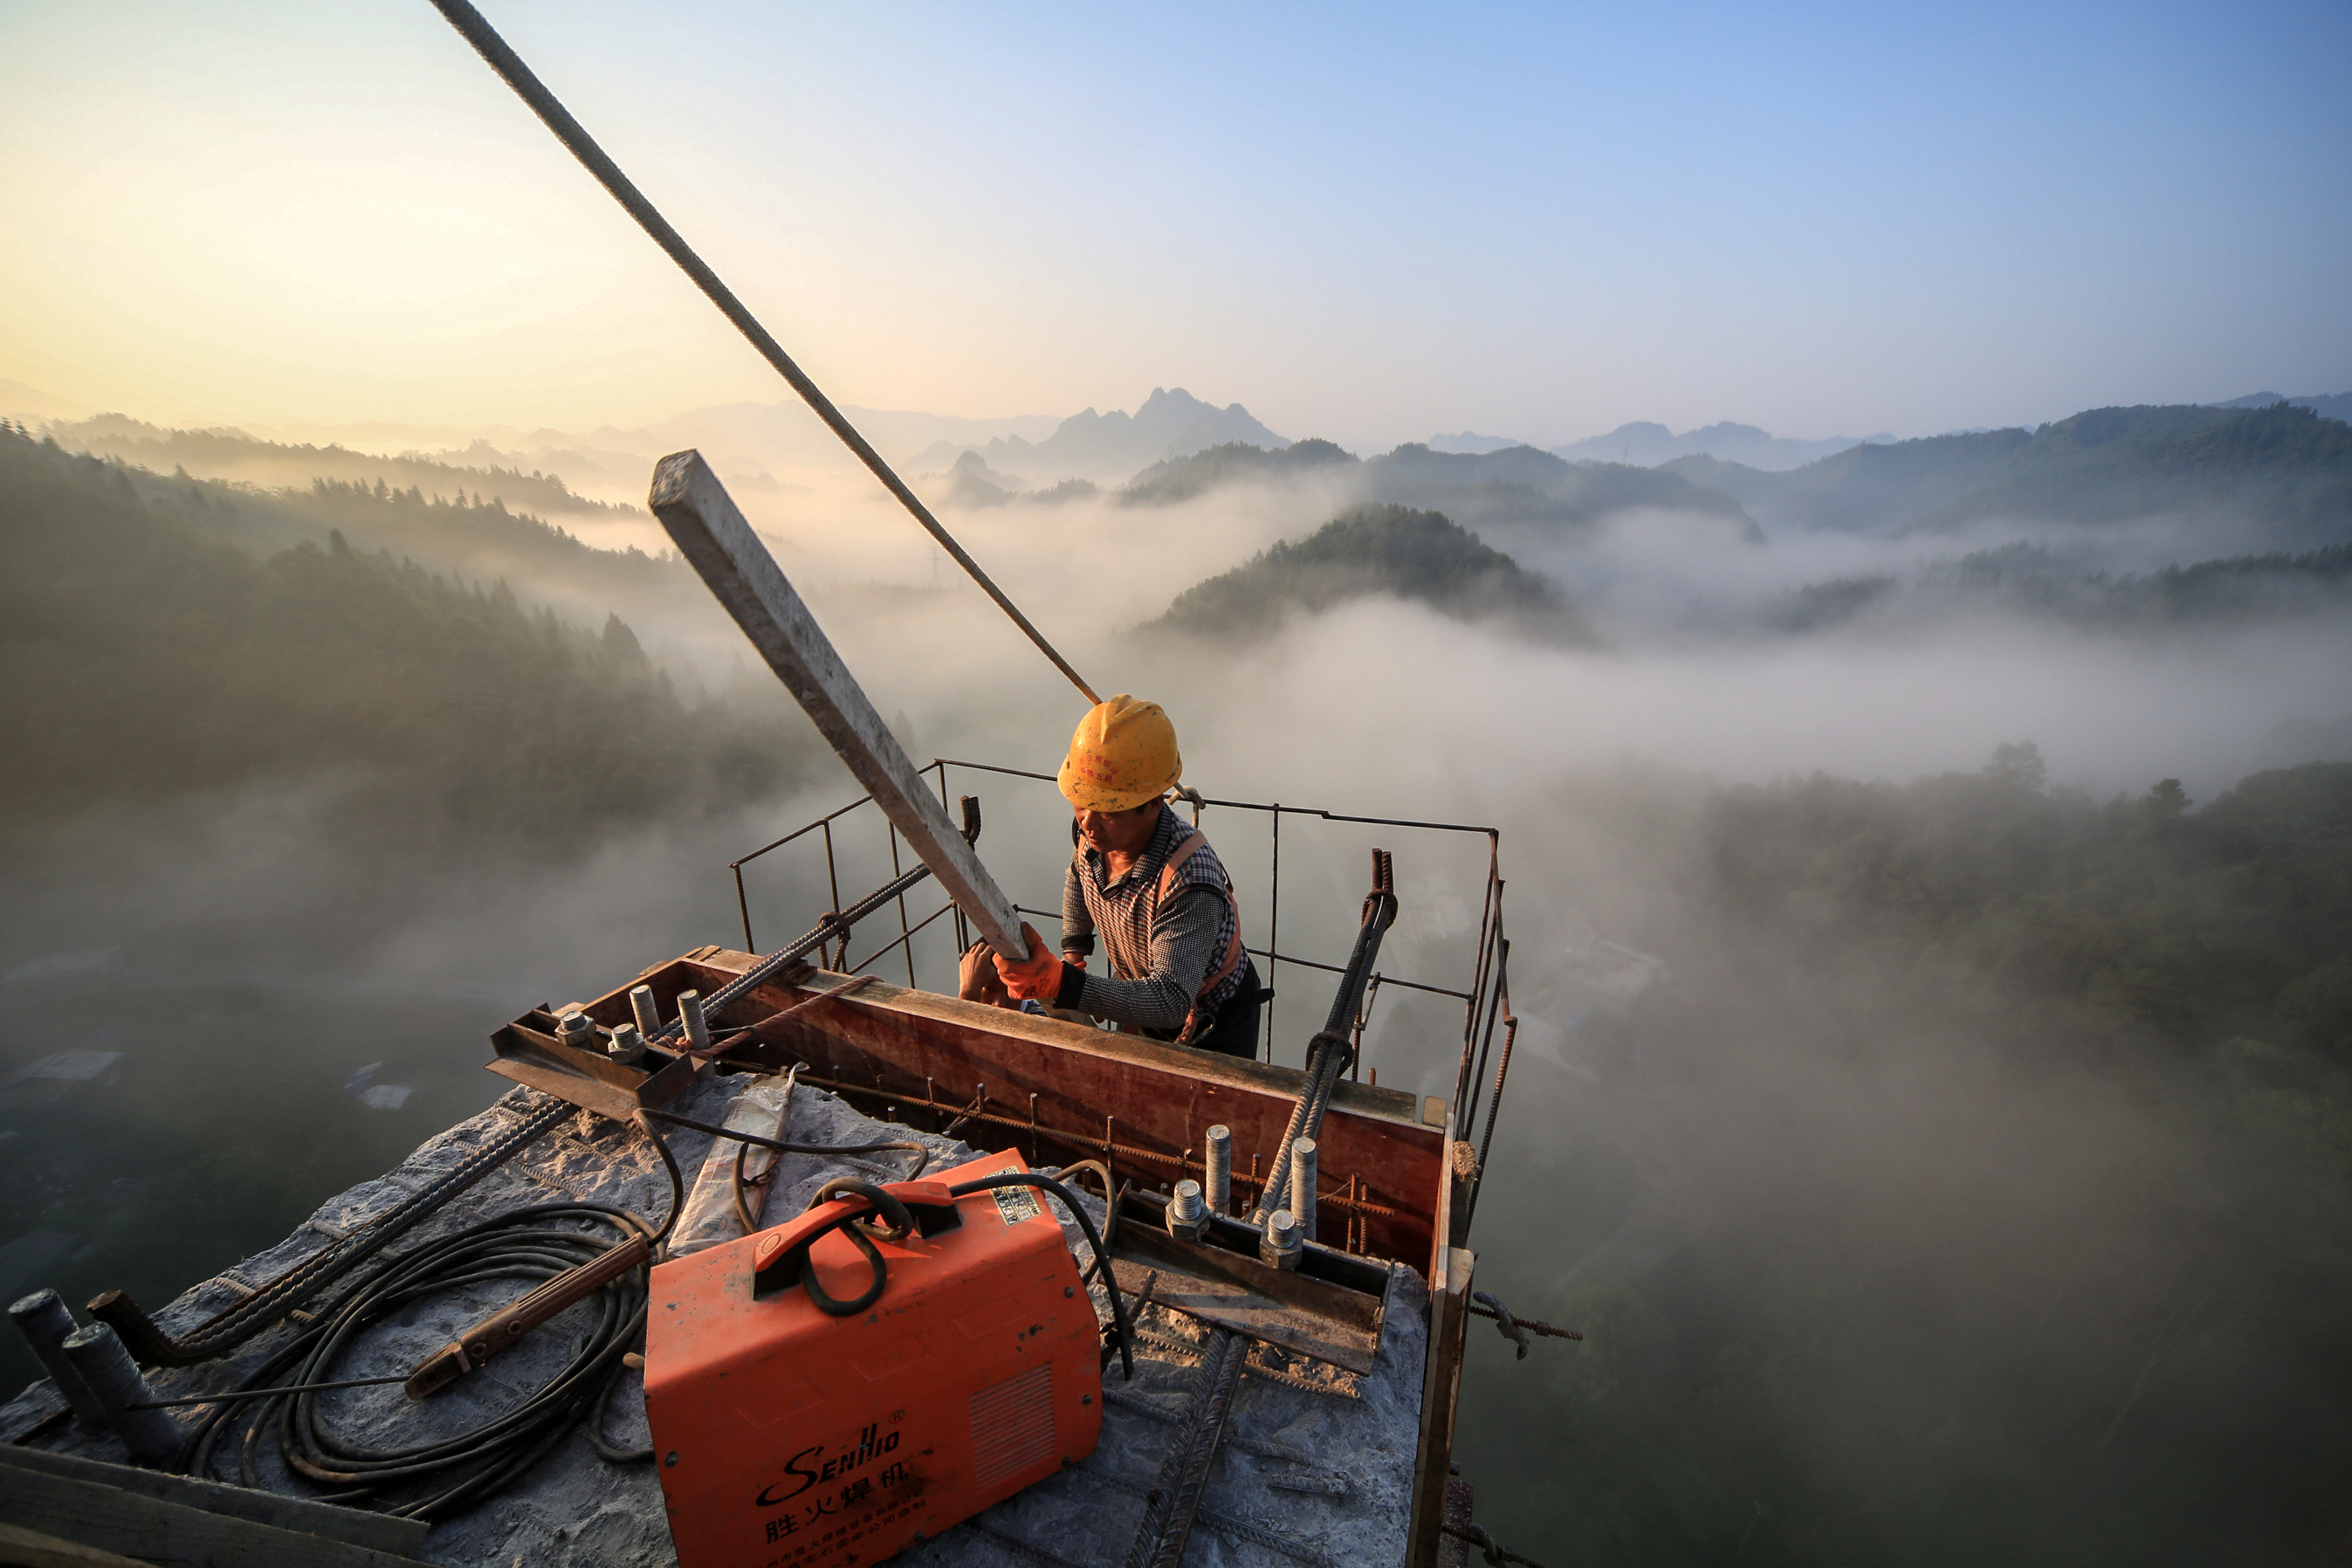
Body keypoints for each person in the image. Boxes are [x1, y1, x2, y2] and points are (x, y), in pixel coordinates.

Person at [967, 695, 1263, 1059]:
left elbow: (1170, 1000)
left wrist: (1064, 984)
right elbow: (1079, 875)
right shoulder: (1096, 833)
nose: (1087, 822)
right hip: (1145, 993)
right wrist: (1074, 950)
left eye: (1108, 810)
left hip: (1213, 1019)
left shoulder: (1189, 881)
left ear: (1154, 803)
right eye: (1081, 801)